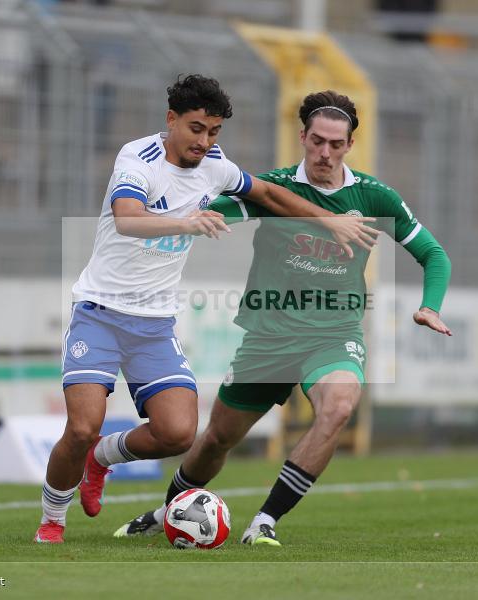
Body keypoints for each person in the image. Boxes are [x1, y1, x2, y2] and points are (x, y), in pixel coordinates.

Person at [35, 76, 379, 543]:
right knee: (81, 426)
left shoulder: (215, 165)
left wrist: (328, 221)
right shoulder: (138, 159)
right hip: (100, 311)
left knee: (178, 433)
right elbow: (127, 218)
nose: (205, 141)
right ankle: (52, 519)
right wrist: (188, 221)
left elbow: (270, 195)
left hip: (154, 321)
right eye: (196, 128)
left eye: (214, 131)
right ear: (171, 119)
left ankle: (101, 459)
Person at [114, 90, 452, 546]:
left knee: (337, 409)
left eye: (336, 144)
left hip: (334, 334)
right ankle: (166, 511)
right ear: (303, 138)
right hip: (268, 339)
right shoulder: (275, 190)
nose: (325, 153)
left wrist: (430, 306)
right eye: (317, 141)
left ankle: (265, 522)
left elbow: (433, 255)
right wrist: (184, 222)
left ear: (350, 145)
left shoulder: (374, 196)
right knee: (216, 439)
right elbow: (209, 214)